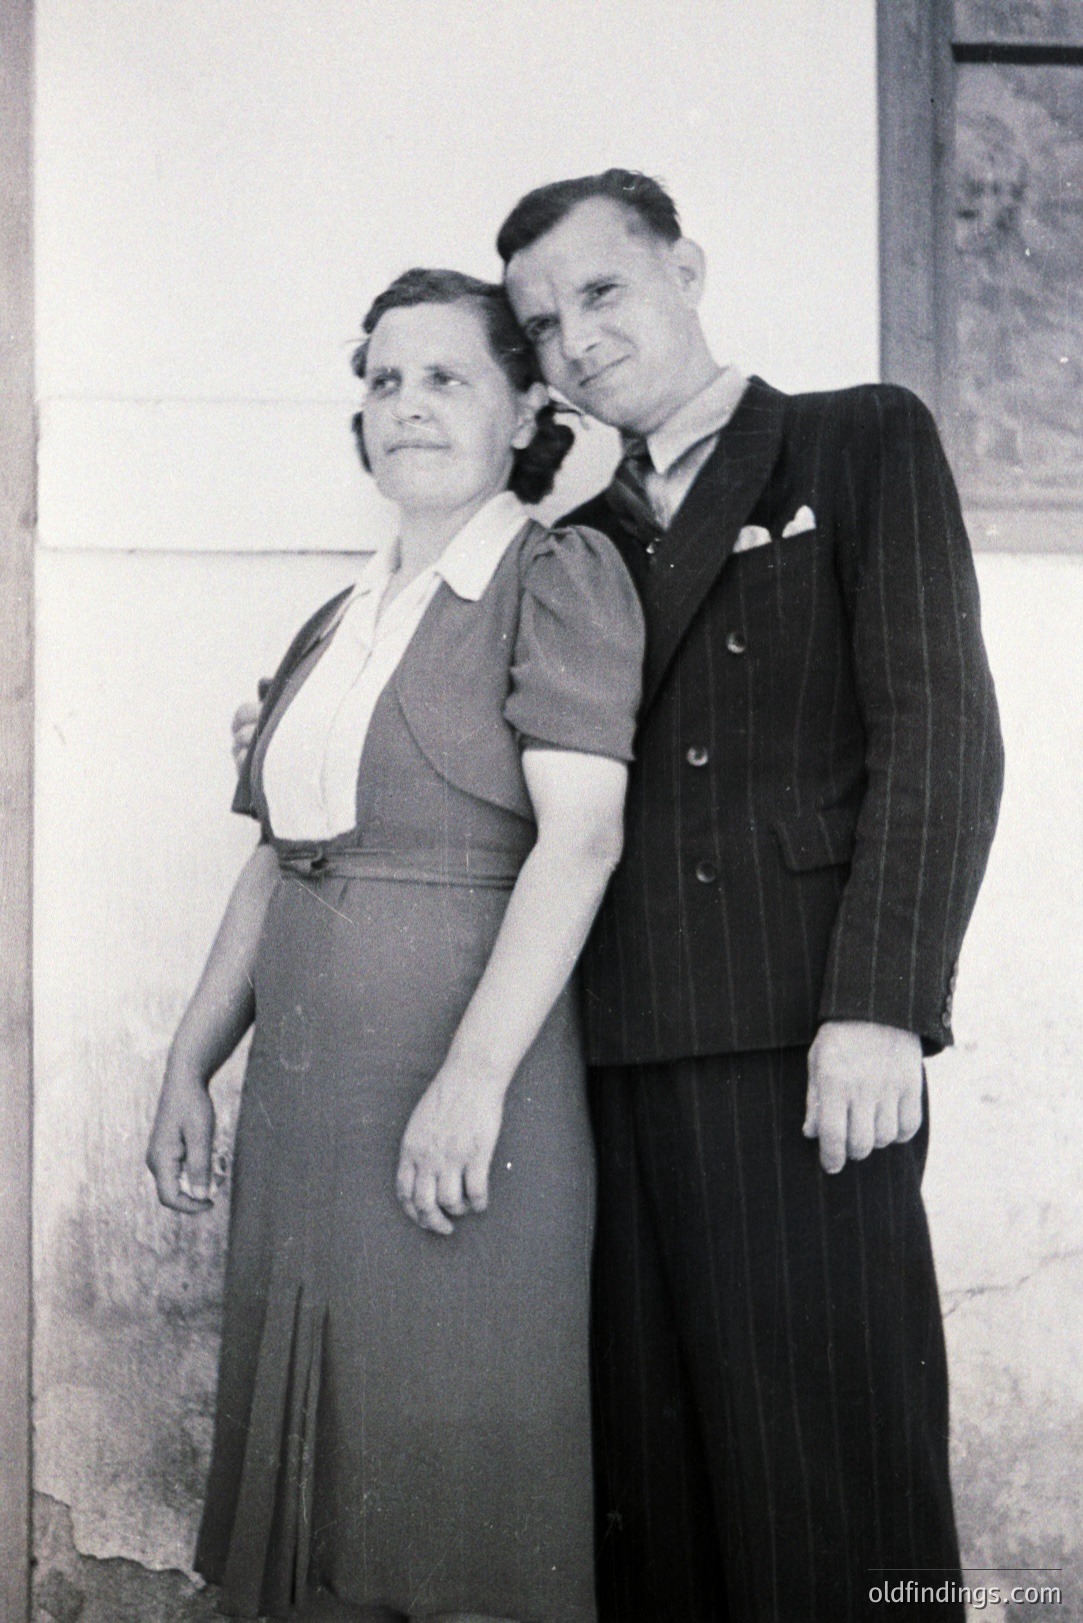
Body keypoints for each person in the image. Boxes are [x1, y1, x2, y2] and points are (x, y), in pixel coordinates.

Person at [492, 172, 1005, 1622]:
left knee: (835, 1488)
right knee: (657, 1508)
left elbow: (942, 730)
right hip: (608, 1055)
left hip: (802, 1047)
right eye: (541, 326)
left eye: (601, 292)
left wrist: (881, 1008)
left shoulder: (854, 441)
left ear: (687, 269)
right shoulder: (568, 522)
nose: (577, 341)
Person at [148, 267, 645, 1623]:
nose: (406, 407)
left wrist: (472, 1084)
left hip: (462, 1094)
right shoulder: (337, 619)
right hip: (309, 1113)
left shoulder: (558, 577)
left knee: (461, 1502)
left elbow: (582, 842)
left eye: (446, 378)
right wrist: (190, 1067)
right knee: (322, 1522)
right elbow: (278, 857)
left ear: (525, 405)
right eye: (381, 381)